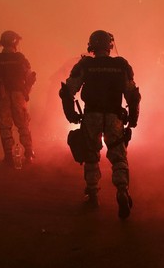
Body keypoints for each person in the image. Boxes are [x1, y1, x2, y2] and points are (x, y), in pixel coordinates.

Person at [59, 30, 141, 219]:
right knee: (118, 155)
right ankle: (122, 190)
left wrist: (71, 115)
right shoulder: (121, 65)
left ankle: (93, 193)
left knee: (91, 156)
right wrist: (134, 118)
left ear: (91, 46)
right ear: (109, 46)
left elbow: (67, 91)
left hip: (91, 116)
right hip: (114, 116)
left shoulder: (85, 64)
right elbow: (133, 95)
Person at [0, 30, 37, 167]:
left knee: (5, 126)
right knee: (23, 124)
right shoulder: (20, 58)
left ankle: (9, 156)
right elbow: (30, 77)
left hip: (2, 95)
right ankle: (29, 154)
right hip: (18, 95)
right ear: (15, 42)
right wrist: (26, 93)